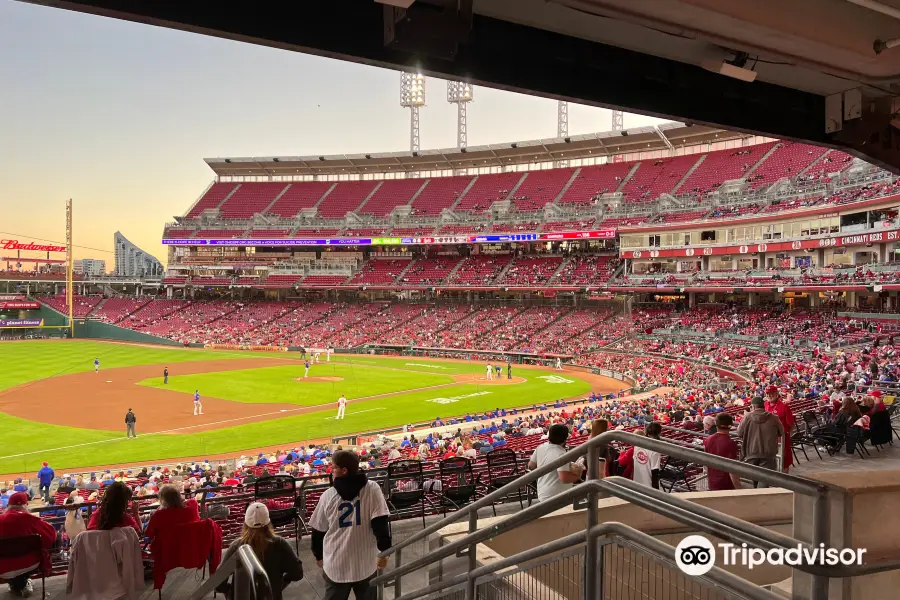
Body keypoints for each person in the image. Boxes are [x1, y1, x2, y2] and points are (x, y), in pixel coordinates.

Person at [309, 450, 391, 600]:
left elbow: (318, 530)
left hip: (336, 565)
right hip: (366, 564)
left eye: (334, 467)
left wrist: (318, 555)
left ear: (344, 470)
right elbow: (381, 523)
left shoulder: (328, 495)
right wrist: (385, 550)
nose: (331, 470)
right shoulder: (373, 489)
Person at [218, 502, 303, 600]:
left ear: (245, 523)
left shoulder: (236, 547)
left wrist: (231, 593)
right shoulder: (280, 544)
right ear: (268, 523)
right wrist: (281, 583)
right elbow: (297, 572)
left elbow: (218, 583)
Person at [0, 492, 57, 598]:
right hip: (30, 564)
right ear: (25, 505)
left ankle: (16, 584)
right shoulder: (32, 520)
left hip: (2, 567)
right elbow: (51, 536)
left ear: (8, 506)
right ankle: (22, 583)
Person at [736, 396, 785, 488]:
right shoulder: (774, 418)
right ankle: (761, 497)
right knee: (765, 478)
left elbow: (739, 433)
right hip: (768, 452)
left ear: (753, 406)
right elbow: (781, 432)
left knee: (755, 477)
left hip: (751, 451)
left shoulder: (747, 417)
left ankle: (757, 495)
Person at [528, 424, 584, 502]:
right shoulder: (562, 454)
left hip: (543, 493)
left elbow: (531, 466)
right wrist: (579, 475)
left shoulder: (540, 447)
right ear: (565, 438)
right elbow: (564, 478)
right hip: (557, 497)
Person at [703, 413, 742, 491]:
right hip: (726, 484)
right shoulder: (731, 443)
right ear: (730, 426)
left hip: (712, 483)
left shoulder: (708, 440)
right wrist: (739, 488)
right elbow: (733, 469)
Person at [764, 386, 794, 473]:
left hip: (782, 438)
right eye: (767, 394)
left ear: (776, 394)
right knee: (770, 460)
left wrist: (786, 434)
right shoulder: (765, 404)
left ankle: (784, 481)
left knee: (784, 462)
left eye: (771, 393)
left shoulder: (784, 406)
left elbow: (791, 424)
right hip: (768, 438)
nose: (769, 395)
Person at [633, 422, 662, 489]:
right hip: (649, 487)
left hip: (636, 483)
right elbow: (655, 471)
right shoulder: (655, 449)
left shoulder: (637, 444)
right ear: (659, 433)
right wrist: (656, 490)